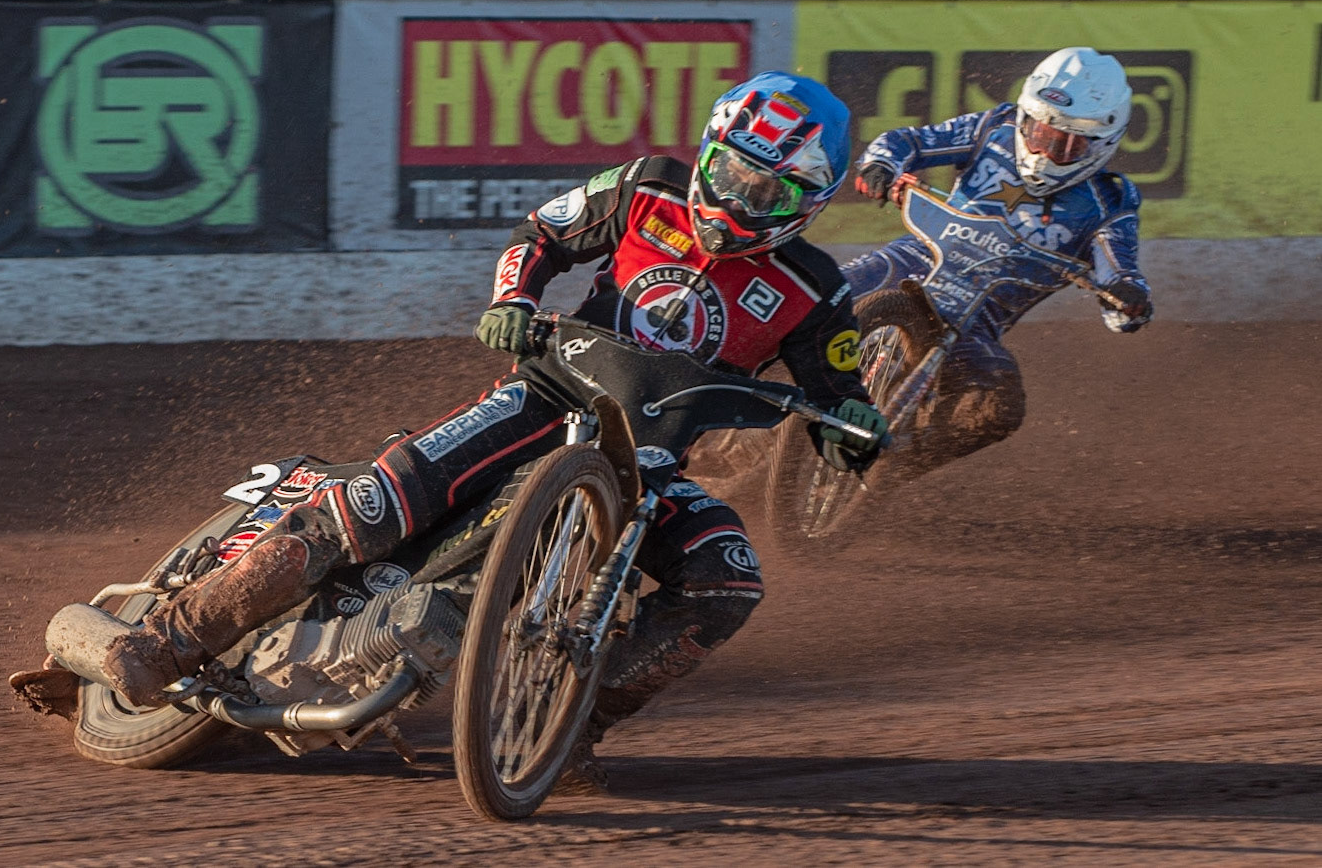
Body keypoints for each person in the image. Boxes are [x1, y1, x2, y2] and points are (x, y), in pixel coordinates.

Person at [98, 70, 888, 792]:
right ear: (712, 151)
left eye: (770, 190)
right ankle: (174, 638)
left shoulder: (816, 290)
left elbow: (838, 395)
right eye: (736, 173)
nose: (744, 198)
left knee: (730, 577)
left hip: (649, 463)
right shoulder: (649, 185)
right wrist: (513, 299)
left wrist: (855, 427)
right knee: (375, 503)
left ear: (810, 202)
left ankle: (573, 720)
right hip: (546, 395)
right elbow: (543, 233)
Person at [841, 46, 1152, 486]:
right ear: (1025, 114)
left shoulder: (1111, 200)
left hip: (974, 321)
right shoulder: (994, 126)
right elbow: (908, 142)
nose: (1045, 150)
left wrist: (1129, 298)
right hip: (910, 261)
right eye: (1039, 132)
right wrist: (880, 166)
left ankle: (890, 472)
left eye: (1066, 144)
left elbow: (1118, 269)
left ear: (1101, 143)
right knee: (816, 296)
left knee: (997, 408)